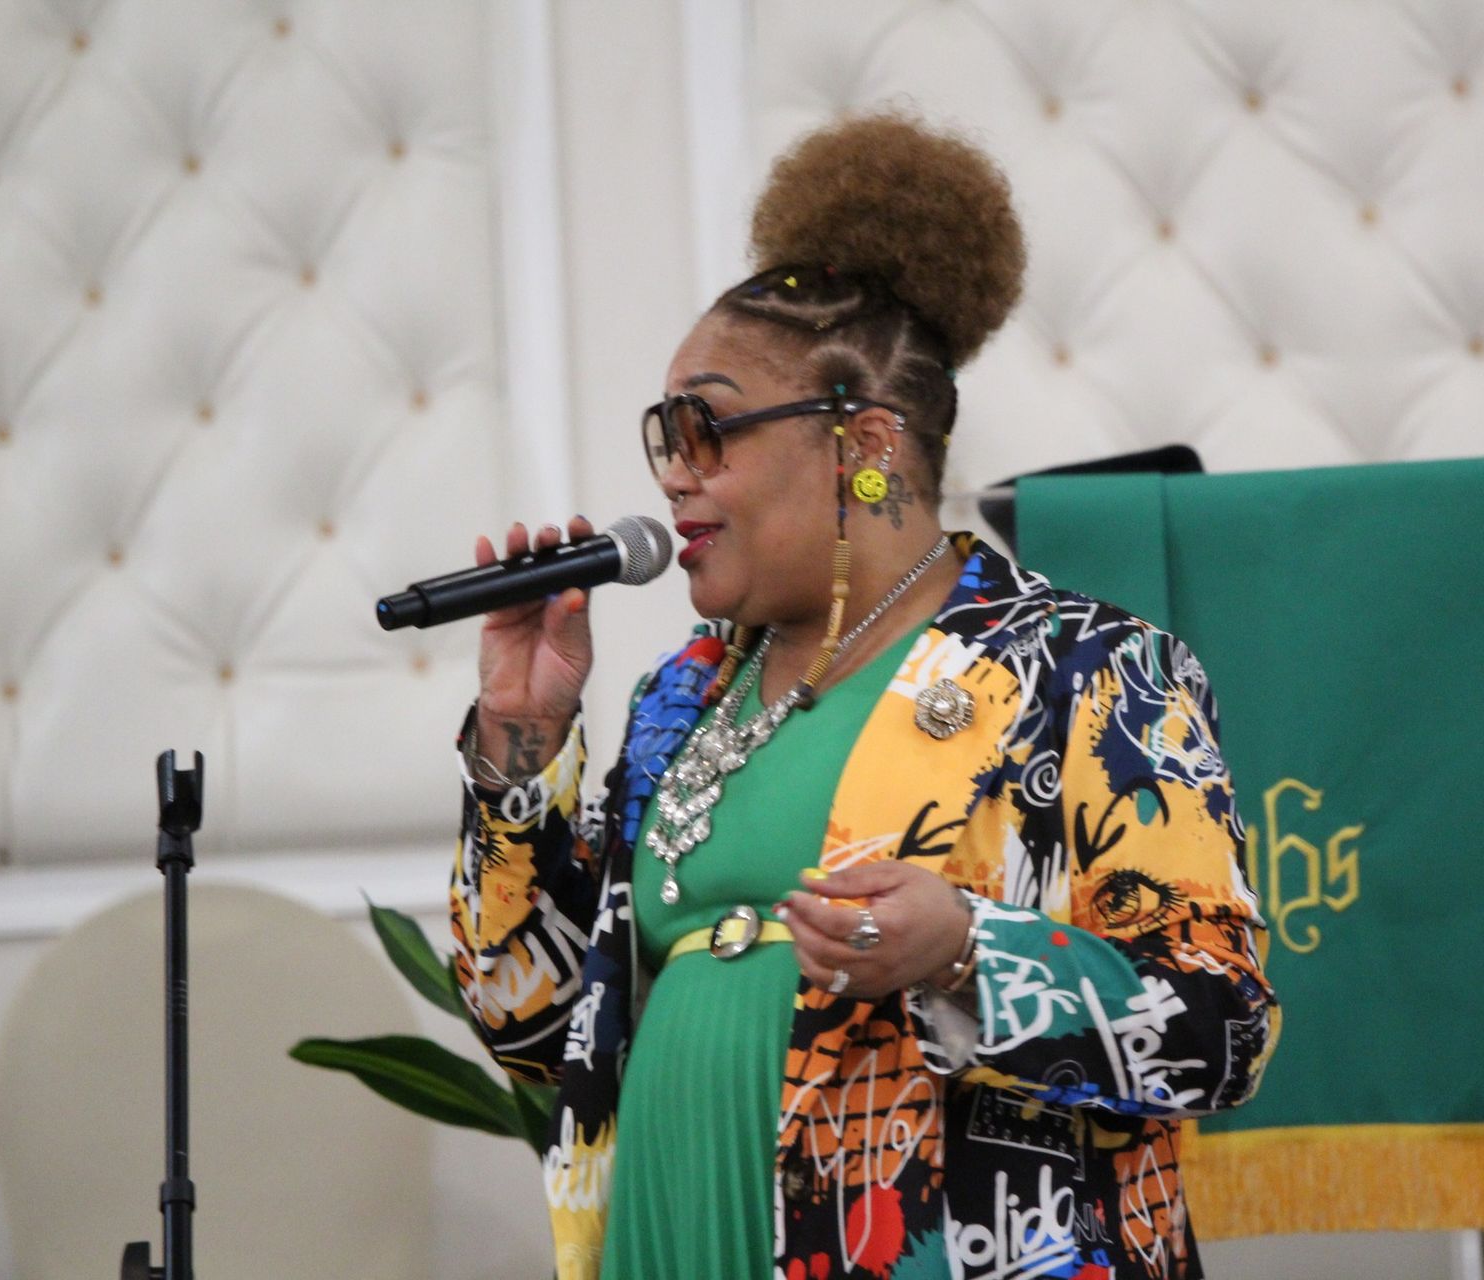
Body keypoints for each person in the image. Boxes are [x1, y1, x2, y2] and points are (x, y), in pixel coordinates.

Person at [449, 111, 1276, 1280]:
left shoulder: (1087, 669)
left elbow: (1222, 1028)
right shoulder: (678, 703)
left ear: (865, 443)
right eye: (662, 435)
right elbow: (532, 1025)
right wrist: (522, 738)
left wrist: (968, 953)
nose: (675, 472)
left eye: (707, 427)